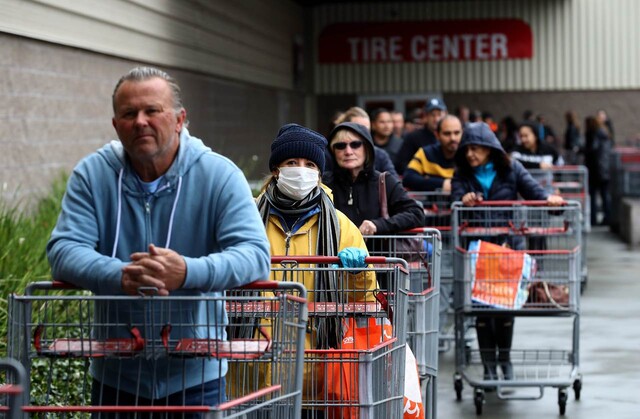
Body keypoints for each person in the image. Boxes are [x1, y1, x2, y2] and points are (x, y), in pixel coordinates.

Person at [46, 66, 271, 415]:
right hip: (116, 372)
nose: (140, 121)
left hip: (197, 374)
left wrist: (186, 273)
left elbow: (255, 254)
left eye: (152, 110)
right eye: (129, 113)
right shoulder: (92, 175)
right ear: (115, 124)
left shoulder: (220, 175)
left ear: (180, 119)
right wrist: (120, 275)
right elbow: (63, 250)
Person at [256, 123, 378, 418]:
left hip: (317, 367)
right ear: (276, 170)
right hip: (257, 368)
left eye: (310, 164)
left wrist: (358, 271)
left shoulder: (340, 226)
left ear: (319, 173)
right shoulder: (248, 217)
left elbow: (366, 300)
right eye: (291, 163)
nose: (301, 170)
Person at [451, 122, 563, 383]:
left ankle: (505, 359)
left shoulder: (512, 168)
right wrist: (463, 199)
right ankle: (489, 364)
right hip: (477, 250)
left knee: (505, 309)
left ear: (490, 149)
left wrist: (552, 202)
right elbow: (455, 201)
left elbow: (534, 192)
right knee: (481, 309)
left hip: (507, 247)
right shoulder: (462, 174)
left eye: (476, 149)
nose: (470, 155)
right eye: (467, 150)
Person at [323, 122, 424, 290]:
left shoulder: (383, 181)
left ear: (367, 148)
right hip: (334, 275)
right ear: (333, 152)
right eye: (340, 146)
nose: (348, 151)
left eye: (355, 144)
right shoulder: (324, 183)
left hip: (380, 274)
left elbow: (416, 213)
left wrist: (377, 225)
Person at [324, 106, 397, 176]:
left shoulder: (380, 155)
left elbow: (395, 183)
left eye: (366, 130)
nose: (348, 152)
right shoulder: (328, 156)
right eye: (357, 129)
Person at [402, 115, 462, 192]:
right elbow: (408, 178)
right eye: (447, 134)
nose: (453, 138)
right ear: (437, 135)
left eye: (457, 133)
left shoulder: (468, 155)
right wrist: (441, 183)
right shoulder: (425, 154)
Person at [396, 97, 448, 172]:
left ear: (445, 114)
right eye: (433, 115)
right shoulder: (413, 137)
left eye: (439, 115)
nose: (436, 119)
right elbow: (402, 164)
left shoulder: (452, 137)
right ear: (426, 116)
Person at [584, 115, 613, 226]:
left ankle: (593, 219)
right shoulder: (604, 134)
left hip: (597, 170)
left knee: (594, 195)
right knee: (605, 195)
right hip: (604, 169)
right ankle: (607, 218)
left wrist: (582, 150)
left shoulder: (595, 135)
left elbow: (592, 150)